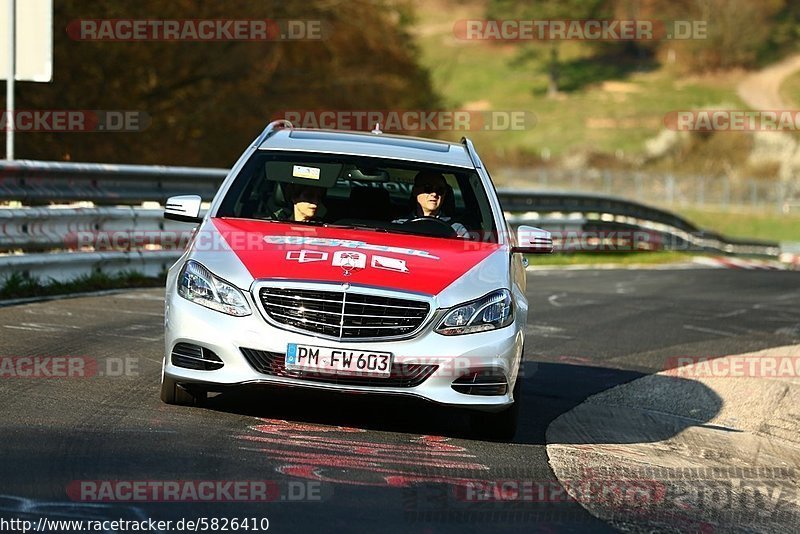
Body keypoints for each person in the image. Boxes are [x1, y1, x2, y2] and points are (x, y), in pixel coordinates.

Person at [394, 171, 468, 237]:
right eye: (428, 188)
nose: (434, 193)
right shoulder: (398, 225)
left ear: (445, 194)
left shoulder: (457, 229)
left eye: (440, 190)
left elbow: (466, 251)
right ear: (415, 191)